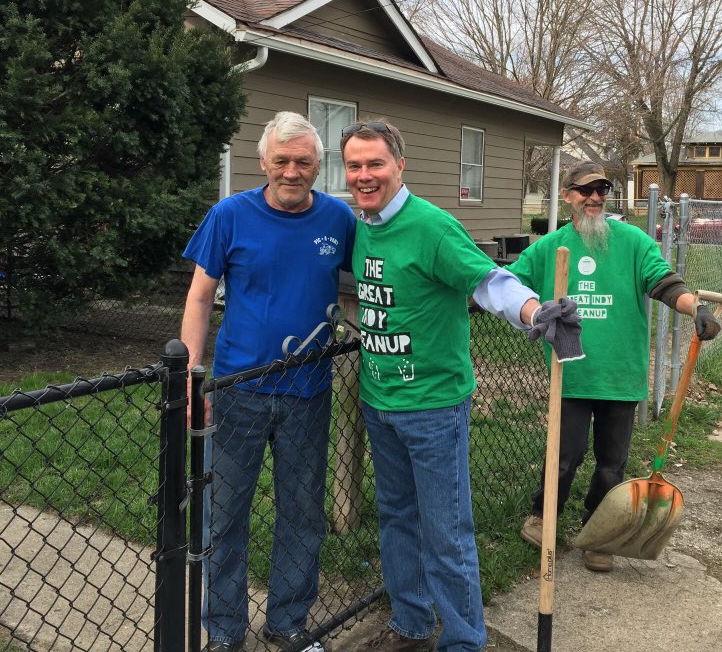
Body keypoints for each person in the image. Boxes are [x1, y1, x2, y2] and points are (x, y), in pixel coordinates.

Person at [339, 121, 580, 652]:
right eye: (354, 165)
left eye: (374, 163)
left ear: (399, 166)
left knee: (445, 533)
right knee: (397, 519)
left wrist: (534, 310)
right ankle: (411, 624)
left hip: (433, 408)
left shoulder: (432, 227)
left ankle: (464, 641)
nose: (363, 175)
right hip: (379, 402)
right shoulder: (363, 226)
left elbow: (487, 280)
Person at [181, 111, 357, 652]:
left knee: (303, 514)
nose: (292, 170)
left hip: (309, 392)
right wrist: (192, 377)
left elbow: (370, 278)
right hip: (239, 390)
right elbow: (200, 298)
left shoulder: (338, 220)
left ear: (318, 166)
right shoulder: (229, 215)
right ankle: (226, 632)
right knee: (224, 515)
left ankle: (288, 623)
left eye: (303, 161)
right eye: (281, 160)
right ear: (263, 163)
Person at [508, 161, 722, 573]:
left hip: (620, 373)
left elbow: (664, 282)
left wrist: (695, 307)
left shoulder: (632, 242)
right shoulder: (548, 248)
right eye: (585, 191)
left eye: (602, 190)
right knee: (564, 455)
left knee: (612, 462)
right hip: (569, 372)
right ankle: (541, 517)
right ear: (568, 196)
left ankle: (598, 534)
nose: (594, 198)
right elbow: (506, 284)